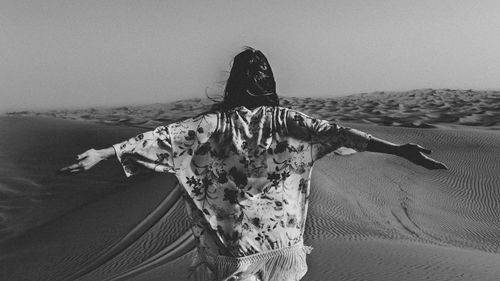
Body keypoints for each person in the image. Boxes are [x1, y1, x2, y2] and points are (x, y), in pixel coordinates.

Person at [60, 47, 447, 281]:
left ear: (232, 84)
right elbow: (342, 133)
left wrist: (104, 153)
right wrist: (399, 149)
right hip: (285, 252)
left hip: (234, 257)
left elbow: (161, 138)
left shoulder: (211, 125)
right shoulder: (289, 121)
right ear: (269, 83)